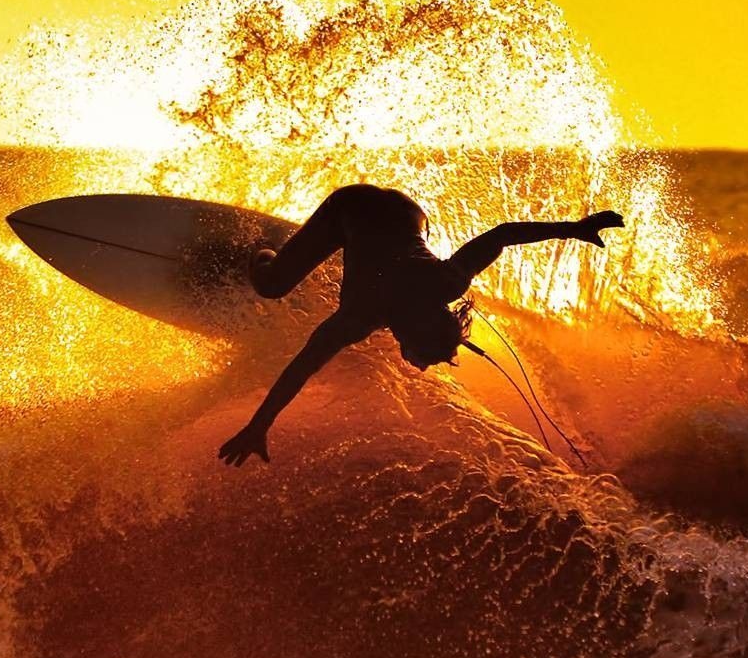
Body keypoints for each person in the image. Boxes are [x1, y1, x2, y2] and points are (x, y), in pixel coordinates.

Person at [217, 185, 624, 466]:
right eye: (426, 357)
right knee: (272, 287)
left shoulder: (447, 282)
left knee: (381, 252)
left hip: (410, 212)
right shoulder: (358, 317)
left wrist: (574, 228)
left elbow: (502, 235)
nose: (424, 366)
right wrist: (258, 426)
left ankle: (324, 249)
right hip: (352, 206)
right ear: (411, 332)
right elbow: (301, 367)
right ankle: (261, 252)